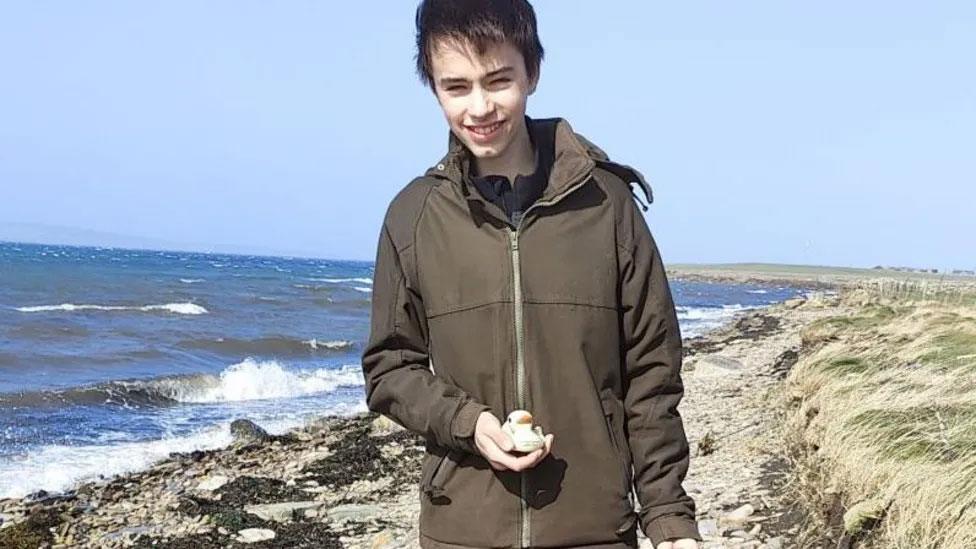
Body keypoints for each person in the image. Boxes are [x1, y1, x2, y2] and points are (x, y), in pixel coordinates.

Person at [361, 1, 702, 547]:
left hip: (594, 527)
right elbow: (389, 368)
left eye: (499, 81)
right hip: (463, 530)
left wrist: (669, 519)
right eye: (457, 87)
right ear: (433, 88)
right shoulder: (413, 216)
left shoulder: (608, 205)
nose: (480, 107)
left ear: (533, 72)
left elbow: (652, 372)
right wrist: (470, 423)